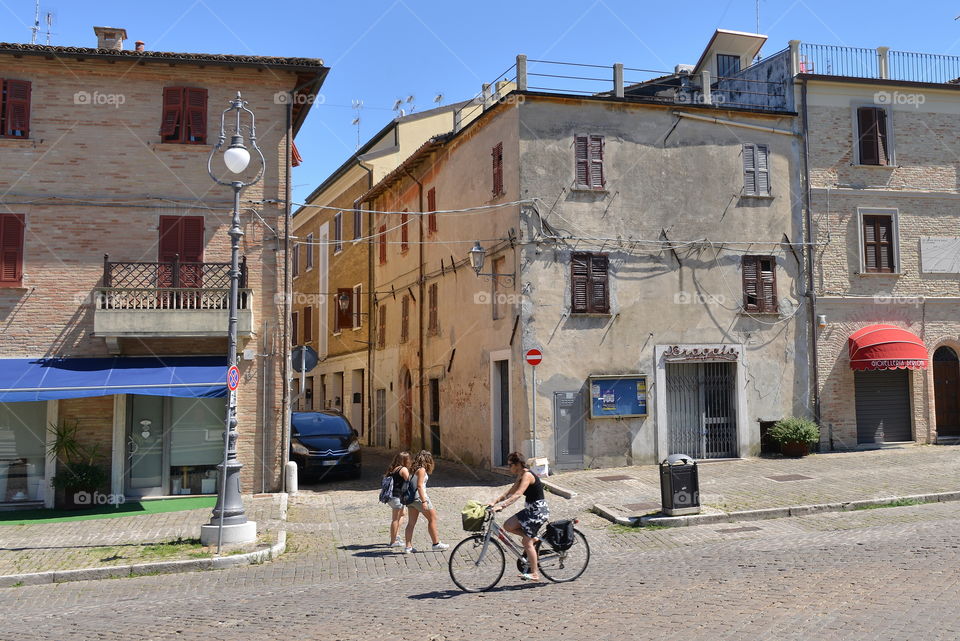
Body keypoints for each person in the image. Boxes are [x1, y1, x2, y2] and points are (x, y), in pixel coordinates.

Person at [488, 451, 549, 582]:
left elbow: (518, 494)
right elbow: (510, 492)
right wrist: (495, 501)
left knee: (526, 542)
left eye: (510, 464)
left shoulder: (527, 475)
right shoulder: (521, 474)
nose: (508, 467)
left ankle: (534, 573)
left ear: (517, 464)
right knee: (508, 525)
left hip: (538, 511)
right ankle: (533, 539)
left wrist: (502, 506)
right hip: (531, 509)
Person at [403, 450, 449, 553]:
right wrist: (424, 501)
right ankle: (436, 543)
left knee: (411, 523)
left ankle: (408, 546)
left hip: (411, 499)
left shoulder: (412, 469)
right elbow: (419, 486)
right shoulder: (422, 470)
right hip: (420, 498)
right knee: (432, 518)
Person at [383, 451, 412, 547]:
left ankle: (396, 535)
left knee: (403, 514)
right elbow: (409, 482)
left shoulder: (393, 468)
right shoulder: (403, 469)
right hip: (397, 497)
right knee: (395, 519)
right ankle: (393, 541)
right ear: (405, 460)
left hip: (392, 497)